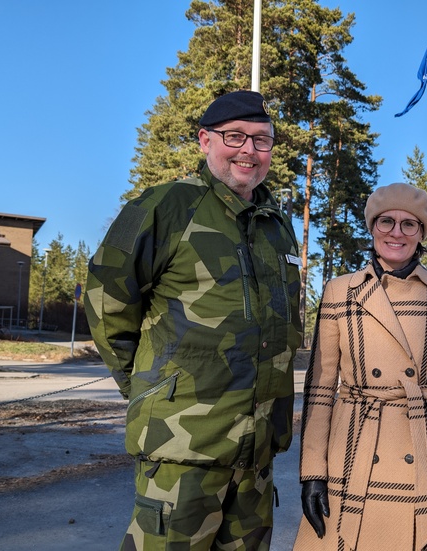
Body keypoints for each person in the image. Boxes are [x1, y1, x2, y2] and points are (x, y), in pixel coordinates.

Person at [85, 90, 303, 551]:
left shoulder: (276, 226)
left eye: (261, 141)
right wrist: (148, 386)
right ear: (206, 140)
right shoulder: (162, 206)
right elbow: (106, 297)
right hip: (183, 447)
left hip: (256, 453)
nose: (249, 150)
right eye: (235, 137)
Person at [295, 182, 427, 551]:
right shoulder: (338, 290)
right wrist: (312, 472)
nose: (397, 232)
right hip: (354, 444)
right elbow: (320, 390)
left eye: (409, 224)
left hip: (422, 445)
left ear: (421, 233)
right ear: (372, 227)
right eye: (387, 222)